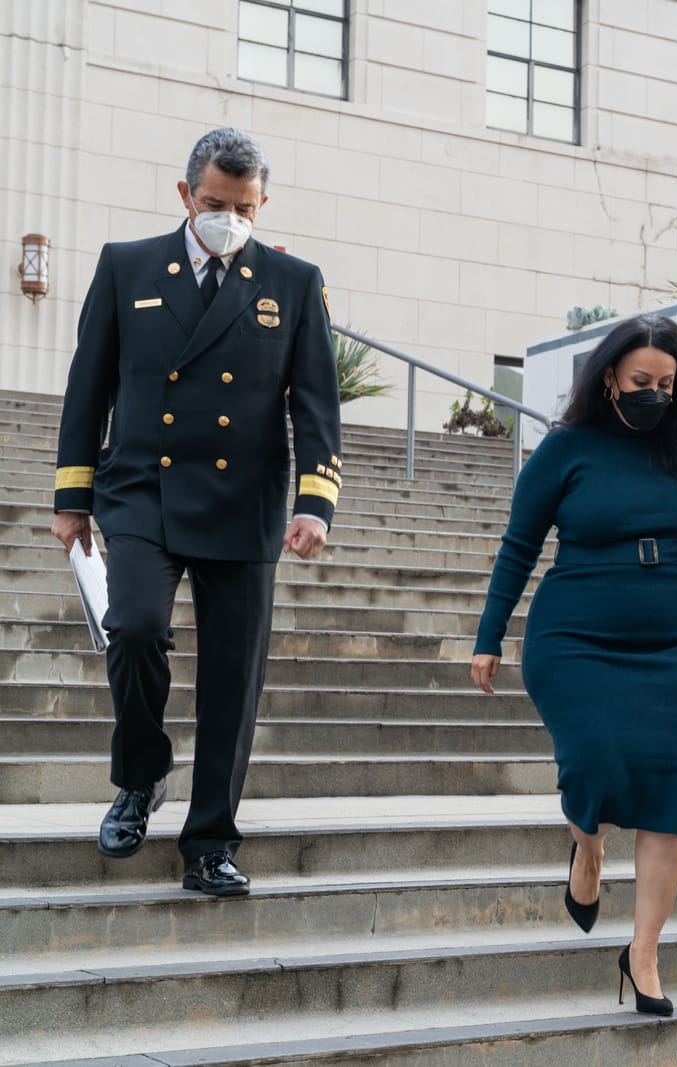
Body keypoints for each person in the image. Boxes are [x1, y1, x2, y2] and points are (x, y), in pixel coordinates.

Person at [50, 127, 342, 897]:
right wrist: (71, 496)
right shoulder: (127, 267)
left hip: (244, 502)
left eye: (245, 207)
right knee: (136, 625)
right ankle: (141, 778)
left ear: (262, 203)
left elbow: (317, 406)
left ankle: (210, 840)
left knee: (231, 680)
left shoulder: (294, 282)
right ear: (186, 195)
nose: (229, 218)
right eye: (215, 203)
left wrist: (316, 502)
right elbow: (89, 386)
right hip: (142, 485)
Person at [471, 314, 677, 1018]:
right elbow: (518, 546)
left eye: (668, 383)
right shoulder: (565, 449)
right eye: (641, 381)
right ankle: (588, 851)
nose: (655, 393)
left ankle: (644, 952)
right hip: (577, 636)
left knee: (675, 790)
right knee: (593, 765)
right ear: (608, 377)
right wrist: (489, 635)